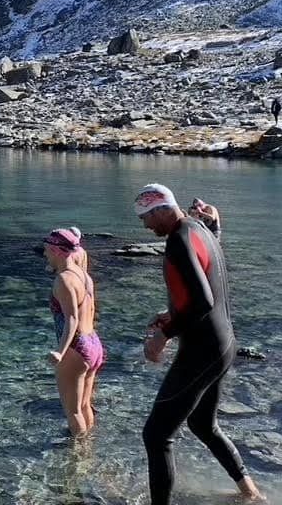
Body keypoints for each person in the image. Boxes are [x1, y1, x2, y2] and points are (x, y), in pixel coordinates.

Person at [134, 184, 263, 504]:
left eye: (147, 217)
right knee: (203, 424)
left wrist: (164, 335)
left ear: (163, 208)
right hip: (222, 344)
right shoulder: (199, 229)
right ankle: (251, 492)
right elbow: (206, 282)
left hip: (203, 350)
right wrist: (171, 313)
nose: (145, 225)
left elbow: (203, 300)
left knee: (156, 435)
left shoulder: (179, 239)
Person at [43, 227, 104, 436]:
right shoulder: (83, 275)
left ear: (57, 251)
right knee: (85, 406)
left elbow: (71, 318)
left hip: (76, 348)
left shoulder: (64, 280)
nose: (45, 255)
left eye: (47, 250)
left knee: (73, 410)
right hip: (93, 343)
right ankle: (88, 447)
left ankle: (78, 460)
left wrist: (60, 351)